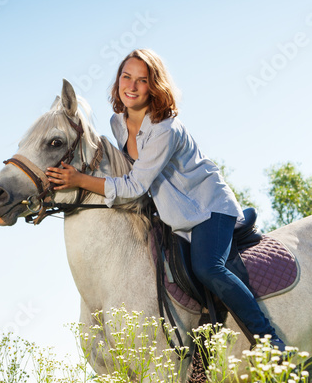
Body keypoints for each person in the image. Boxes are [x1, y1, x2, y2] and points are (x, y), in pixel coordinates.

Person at [45, 49, 285, 353]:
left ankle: (270, 341)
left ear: (154, 86)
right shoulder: (117, 123)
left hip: (208, 208)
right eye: (126, 77)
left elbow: (135, 184)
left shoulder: (165, 128)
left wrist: (80, 180)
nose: (131, 86)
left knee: (208, 267)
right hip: (174, 213)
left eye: (142, 81)